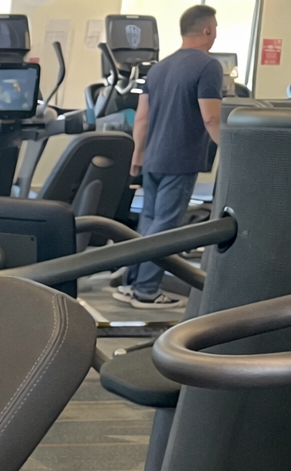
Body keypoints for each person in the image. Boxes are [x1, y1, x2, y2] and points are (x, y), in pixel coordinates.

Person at [117, 4, 223, 310]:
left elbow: (141, 118)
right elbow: (211, 119)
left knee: (147, 223)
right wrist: (231, 152)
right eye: (214, 29)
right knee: (165, 227)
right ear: (207, 30)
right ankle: (147, 291)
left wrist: (137, 155)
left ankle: (131, 283)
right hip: (181, 159)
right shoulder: (208, 66)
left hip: (153, 159)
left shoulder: (159, 68)